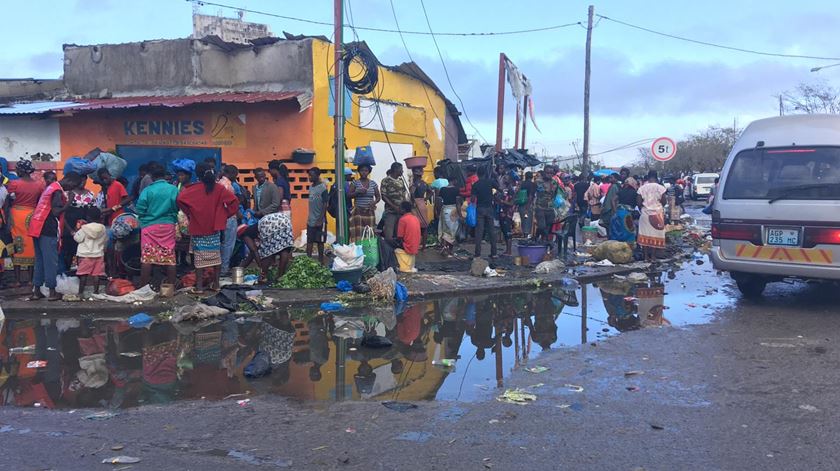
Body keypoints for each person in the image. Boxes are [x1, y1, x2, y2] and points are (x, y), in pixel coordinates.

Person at [176, 163, 238, 293]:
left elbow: (180, 199)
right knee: (216, 257)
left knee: (199, 259)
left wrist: (189, 213)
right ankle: (216, 285)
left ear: (197, 175)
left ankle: (199, 287)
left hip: (198, 227)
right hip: (214, 228)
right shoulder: (219, 189)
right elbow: (234, 202)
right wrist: (224, 215)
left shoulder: (192, 189)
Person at [28, 172, 81, 301]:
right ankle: (52, 292)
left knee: (40, 261)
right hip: (48, 228)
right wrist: (69, 202)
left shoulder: (50, 187)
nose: (72, 188)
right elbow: (56, 211)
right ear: (68, 181)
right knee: (51, 261)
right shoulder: (57, 191)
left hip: (37, 227)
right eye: (73, 185)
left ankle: (36, 291)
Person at [135, 163, 179, 290]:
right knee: (169, 257)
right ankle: (169, 288)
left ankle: (143, 288)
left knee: (147, 257)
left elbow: (140, 209)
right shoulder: (173, 189)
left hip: (149, 227)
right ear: (165, 176)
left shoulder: (147, 190)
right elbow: (177, 206)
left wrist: (145, 219)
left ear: (152, 177)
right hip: (168, 226)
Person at [6, 159, 45, 286]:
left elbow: (8, 201)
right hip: (32, 216)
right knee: (31, 245)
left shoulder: (14, 184)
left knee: (16, 245)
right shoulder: (39, 185)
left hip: (16, 216)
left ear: (21, 171)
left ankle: (17, 280)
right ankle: (30, 279)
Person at [61, 175, 95, 273]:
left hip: (84, 227)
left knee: (81, 250)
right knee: (68, 250)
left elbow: (92, 212)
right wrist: (69, 229)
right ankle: (66, 272)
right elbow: (63, 213)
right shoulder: (67, 193)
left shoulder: (90, 194)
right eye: (80, 180)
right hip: (69, 226)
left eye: (84, 180)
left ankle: (81, 273)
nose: (82, 182)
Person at [74, 206, 107, 295]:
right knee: (96, 275)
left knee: (83, 275)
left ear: (88, 217)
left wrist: (76, 231)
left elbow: (78, 239)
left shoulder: (84, 228)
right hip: (98, 255)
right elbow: (104, 240)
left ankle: (80, 293)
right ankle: (96, 292)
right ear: (100, 217)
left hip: (85, 256)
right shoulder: (103, 228)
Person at [637, 171, 668, 262]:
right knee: (655, 235)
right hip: (657, 214)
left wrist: (643, 208)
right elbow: (664, 202)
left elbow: (638, 202)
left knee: (645, 235)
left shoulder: (641, 188)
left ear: (648, 177)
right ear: (656, 177)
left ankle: (646, 257)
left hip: (645, 214)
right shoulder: (661, 188)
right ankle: (653, 257)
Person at [257, 210, 295, 283]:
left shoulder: (249, 233)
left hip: (278, 223)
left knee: (269, 251)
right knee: (285, 248)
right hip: (285, 222)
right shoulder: (261, 224)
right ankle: (281, 275)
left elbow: (266, 253)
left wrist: (263, 272)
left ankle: (265, 276)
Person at [347, 163, 380, 242]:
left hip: (369, 211)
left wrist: (374, 202)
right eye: (362, 170)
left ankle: (369, 250)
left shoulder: (373, 183)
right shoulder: (355, 182)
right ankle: (357, 249)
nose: (364, 172)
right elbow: (348, 195)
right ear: (359, 172)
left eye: (366, 170)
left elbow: (378, 197)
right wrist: (358, 192)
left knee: (370, 231)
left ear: (369, 172)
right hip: (358, 211)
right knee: (358, 232)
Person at [218, 164, 240, 275]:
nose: (236, 177)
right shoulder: (228, 186)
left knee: (222, 243)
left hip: (221, 218)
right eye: (235, 175)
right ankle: (224, 269)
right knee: (228, 244)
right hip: (229, 217)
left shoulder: (219, 183)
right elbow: (228, 204)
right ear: (231, 174)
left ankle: (220, 268)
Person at [471, 169, 498, 258]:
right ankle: (494, 253)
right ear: (485, 174)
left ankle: (477, 254)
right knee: (491, 231)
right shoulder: (490, 182)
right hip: (489, 208)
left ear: (478, 175)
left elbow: (473, 199)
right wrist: (492, 196)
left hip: (480, 209)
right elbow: (499, 189)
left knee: (479, 232)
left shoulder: (475, 185)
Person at [380, 162, 407, 243]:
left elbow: (403, 195)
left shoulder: (401, 180)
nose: (402, 171)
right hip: (390, 212)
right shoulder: (386, 180)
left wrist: (405, 207)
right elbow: (384, 196)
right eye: (401, 169)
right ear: (396, 169)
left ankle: (398, 253)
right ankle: (388, 252)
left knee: (399, 234)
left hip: (401, 212)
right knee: (389, 234)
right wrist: (394, 207)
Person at [306, 167, 328, 265]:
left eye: (312, 175)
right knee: (310, 241)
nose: (310, 177)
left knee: (320, 242)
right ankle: (308, 261)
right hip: (311, 220)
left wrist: (320, 219)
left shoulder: (323, 188)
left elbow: (325, 204)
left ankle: (321, 261)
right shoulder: (311, 187)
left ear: (317, 175)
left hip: (320, 220)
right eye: (309, 175)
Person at [611, 177, 639, 242]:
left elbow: (613, 200)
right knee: (628, 232)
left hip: (619, 213)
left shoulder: (621, 191)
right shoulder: (635, 192)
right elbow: (638, 203)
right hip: (628, 215)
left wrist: (615, 211)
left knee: (617, 231)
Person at [395, 201, 421, 272]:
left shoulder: (402, 219)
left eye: (400, 208)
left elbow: (399, 237)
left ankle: (396, 265)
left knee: (386, 243)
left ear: (403, 210)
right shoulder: (415, 218)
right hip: (415, 246)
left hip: (408, 247)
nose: (398, 209)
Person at [437, 179, 460, 256]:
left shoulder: (442, 189)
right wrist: (460, 214)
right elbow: (458, 203)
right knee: (452, 231)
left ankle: (444, 248)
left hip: (444, 210)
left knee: (444, 230)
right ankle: (450, 250)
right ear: (454, 181)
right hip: (453, 211)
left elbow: (439, 201)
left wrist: (438, 211)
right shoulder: (456, 189)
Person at [534, 170, 558, 243]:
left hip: (550, 208)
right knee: (541, 226)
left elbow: (555, 194)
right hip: (540, 207)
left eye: (551, 173)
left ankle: (543, 241)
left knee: (548, 226)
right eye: (548, 172)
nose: (549, 174)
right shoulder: (538, 182)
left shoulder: (554, 182)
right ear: (544, 173)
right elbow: (532, 193)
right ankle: (537, 236)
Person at [409, 167, 430, 248]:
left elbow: (412, 194)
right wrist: (425, 199)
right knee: (424, 226)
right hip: (422, 204)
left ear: (415, 175)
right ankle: (424, 247)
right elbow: (430, 192)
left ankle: (415, 245)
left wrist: (413, 202)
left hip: (416, 205)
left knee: (415, 226)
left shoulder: (414, 184)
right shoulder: (425, 183)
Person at [496, 177, 516, 256]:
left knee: (508, 232)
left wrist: (501, 201)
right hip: (503, 213)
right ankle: (507, 250)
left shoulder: (510, 190)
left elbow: (511, 203)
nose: (504, 180)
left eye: (506, 178)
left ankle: (509, 251)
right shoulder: (504, 190)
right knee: (505, 231)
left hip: (507, 214)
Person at [518, 171, 536, 237]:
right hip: (528, 204)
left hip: (521, 204)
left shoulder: (522, 184)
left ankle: (524, 234)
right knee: (528, 220)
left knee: (523, 220)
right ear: (532, 177)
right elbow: (531, 196)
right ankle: (526, 235)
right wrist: (528, 206)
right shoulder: (533, 184)